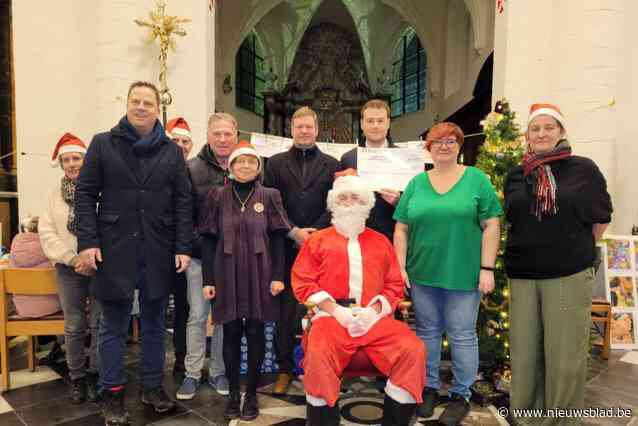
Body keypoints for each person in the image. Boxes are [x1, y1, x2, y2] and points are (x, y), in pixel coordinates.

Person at [75, 81, 192, 426]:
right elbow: (85, 195)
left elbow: (183, 202)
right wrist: (87, 242)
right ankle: (111, 393)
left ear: (158, 109)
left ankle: (152, 387)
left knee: (156, 324)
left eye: (148, 103)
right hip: (114, 249)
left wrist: (183, 246)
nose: (141, 107)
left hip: (158, 248)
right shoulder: (102, 143)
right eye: (135, 101)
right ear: (126, 104)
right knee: (113, 325)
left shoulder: (171, 152)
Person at [504, 103, 612, 425]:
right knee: (524, 355)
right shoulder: (516, 173)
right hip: (523, 273)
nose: (541, 134)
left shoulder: (584, 169)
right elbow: (513, 220)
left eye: (549, 127)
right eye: (535, 128)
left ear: (561, 131)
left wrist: (574, 247)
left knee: (565, 357)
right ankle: (527, 418)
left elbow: (600, 218)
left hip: (568, 273)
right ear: (527, 135)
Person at [292, 172, 425, 426]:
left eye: (356, 197)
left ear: (366, 204)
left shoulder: (381, 242)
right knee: (319, 354)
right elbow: (303, 281)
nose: (350, 203)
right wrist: (335, 311)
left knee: (413, 349)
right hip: (331, 318)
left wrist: (373, 312)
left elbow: (394, 284)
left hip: (374, 319)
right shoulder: (317, 241)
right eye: (343, 198)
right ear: (333, 203)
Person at [393, 122, 502, 425]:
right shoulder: (416, 183)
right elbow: (401, 228)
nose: (444, 145)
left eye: (451, 141)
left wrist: (487, 268)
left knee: (462, 334)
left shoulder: (476, 180)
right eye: (437, 141)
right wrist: (400, 266)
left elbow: (492, 225)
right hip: (422, 273)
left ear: (459, 146)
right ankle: (428, 387)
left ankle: (460, 394)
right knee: (426, 332)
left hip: (464, 274)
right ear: (428, 147)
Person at [200, 142, 291, 420]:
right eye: (240, 162)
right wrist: (208, 279)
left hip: (260, 272)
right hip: (225, 271)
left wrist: (277, 276)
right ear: (230, 166)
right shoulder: (216, 195)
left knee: (255, 331)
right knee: (229, 333)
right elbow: (207, 238)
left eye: (252, 162)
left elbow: (277, 239)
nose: (246, 166)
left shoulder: (270, 195)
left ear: (258, 167)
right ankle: (233, 396)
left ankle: (251, 393)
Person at [264, 106, 340, 394]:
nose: (304, 131)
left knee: (321, 308)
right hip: (285, 246)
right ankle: (284, 369)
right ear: (291, 130)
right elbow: (271, 204)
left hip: (322, 247)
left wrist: (315, 234)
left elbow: (335, 203)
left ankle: (319, 365)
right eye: (299, 127)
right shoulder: (275, 163)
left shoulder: (332, 164)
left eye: (309, 127)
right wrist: (293, 231)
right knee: (285, 312)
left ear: (317, 129)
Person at [176, 112, 236, 400]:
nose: (223, 139)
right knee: (197, 315)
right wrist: (189, 248)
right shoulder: (192, 168)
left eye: (228, 134)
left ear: (236, 136)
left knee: (223, 317)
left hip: (233, 259)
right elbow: (184, 215)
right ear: (209, 136)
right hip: (201, 256)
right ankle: (191, 372)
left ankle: (218, 371)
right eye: (217, 134)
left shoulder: (246, 166)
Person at [39, 133, 102, 404]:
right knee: (74, 324)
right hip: (68, 268)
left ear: (86, 160)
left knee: (101, 323)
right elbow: (46, 233)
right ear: (61, 163)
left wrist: (93, 256)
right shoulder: (53, 196)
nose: (73, 163)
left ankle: (99, 373)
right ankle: (77, 377)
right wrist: (72, 258)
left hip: (101, 266)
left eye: (77, 158)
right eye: (67, 159)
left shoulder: (101, 190)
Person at [339, 99, 400, 241]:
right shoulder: (348, 158)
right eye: (370, 121)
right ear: (362, 124)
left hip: (392, 236)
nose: (375, 126)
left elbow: (414, 205)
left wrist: (398, 202)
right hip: (356, 237)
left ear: (388, 123)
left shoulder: (403, 158)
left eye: (380, 121)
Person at [165, 117, 193, 374]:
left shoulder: (191, 171)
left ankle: (182, 358)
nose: (180, 146)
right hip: (157, 248)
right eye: (176, 140)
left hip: (183, 251)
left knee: (184, 307)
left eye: (185, 141)